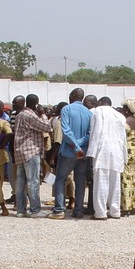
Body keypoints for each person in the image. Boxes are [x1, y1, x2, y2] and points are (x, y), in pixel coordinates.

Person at [49, 88, 91, 219]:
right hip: (83, 152)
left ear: (73, 96)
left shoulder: (66, 109)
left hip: (69, 151)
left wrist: (75, 146)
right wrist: (80, 146)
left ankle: (59, 210)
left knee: (60, 179)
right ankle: (78, 210)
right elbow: (90, 134)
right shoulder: (89, 113)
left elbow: (66, 131)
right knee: (80, 182)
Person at [86, 97, 127, 220]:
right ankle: (115, 211)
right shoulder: (120, 115)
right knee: (115, 183)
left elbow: (95, 131)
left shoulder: (98, 111)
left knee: (101, 182)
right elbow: (123, 138)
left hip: (102, 150)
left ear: (100, 102)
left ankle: (100, 213)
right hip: (117, 152)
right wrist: (124, 156)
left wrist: (91, 152)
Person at [13, 94, 51, 217]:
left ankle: (20, 210)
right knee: (33, 181)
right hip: (31, 152)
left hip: (20, 152)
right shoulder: (30, 115)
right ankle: (35, 210)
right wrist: (43, 114)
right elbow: (47, 127)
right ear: (36, 104)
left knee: (20, 182)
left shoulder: (19, 115)